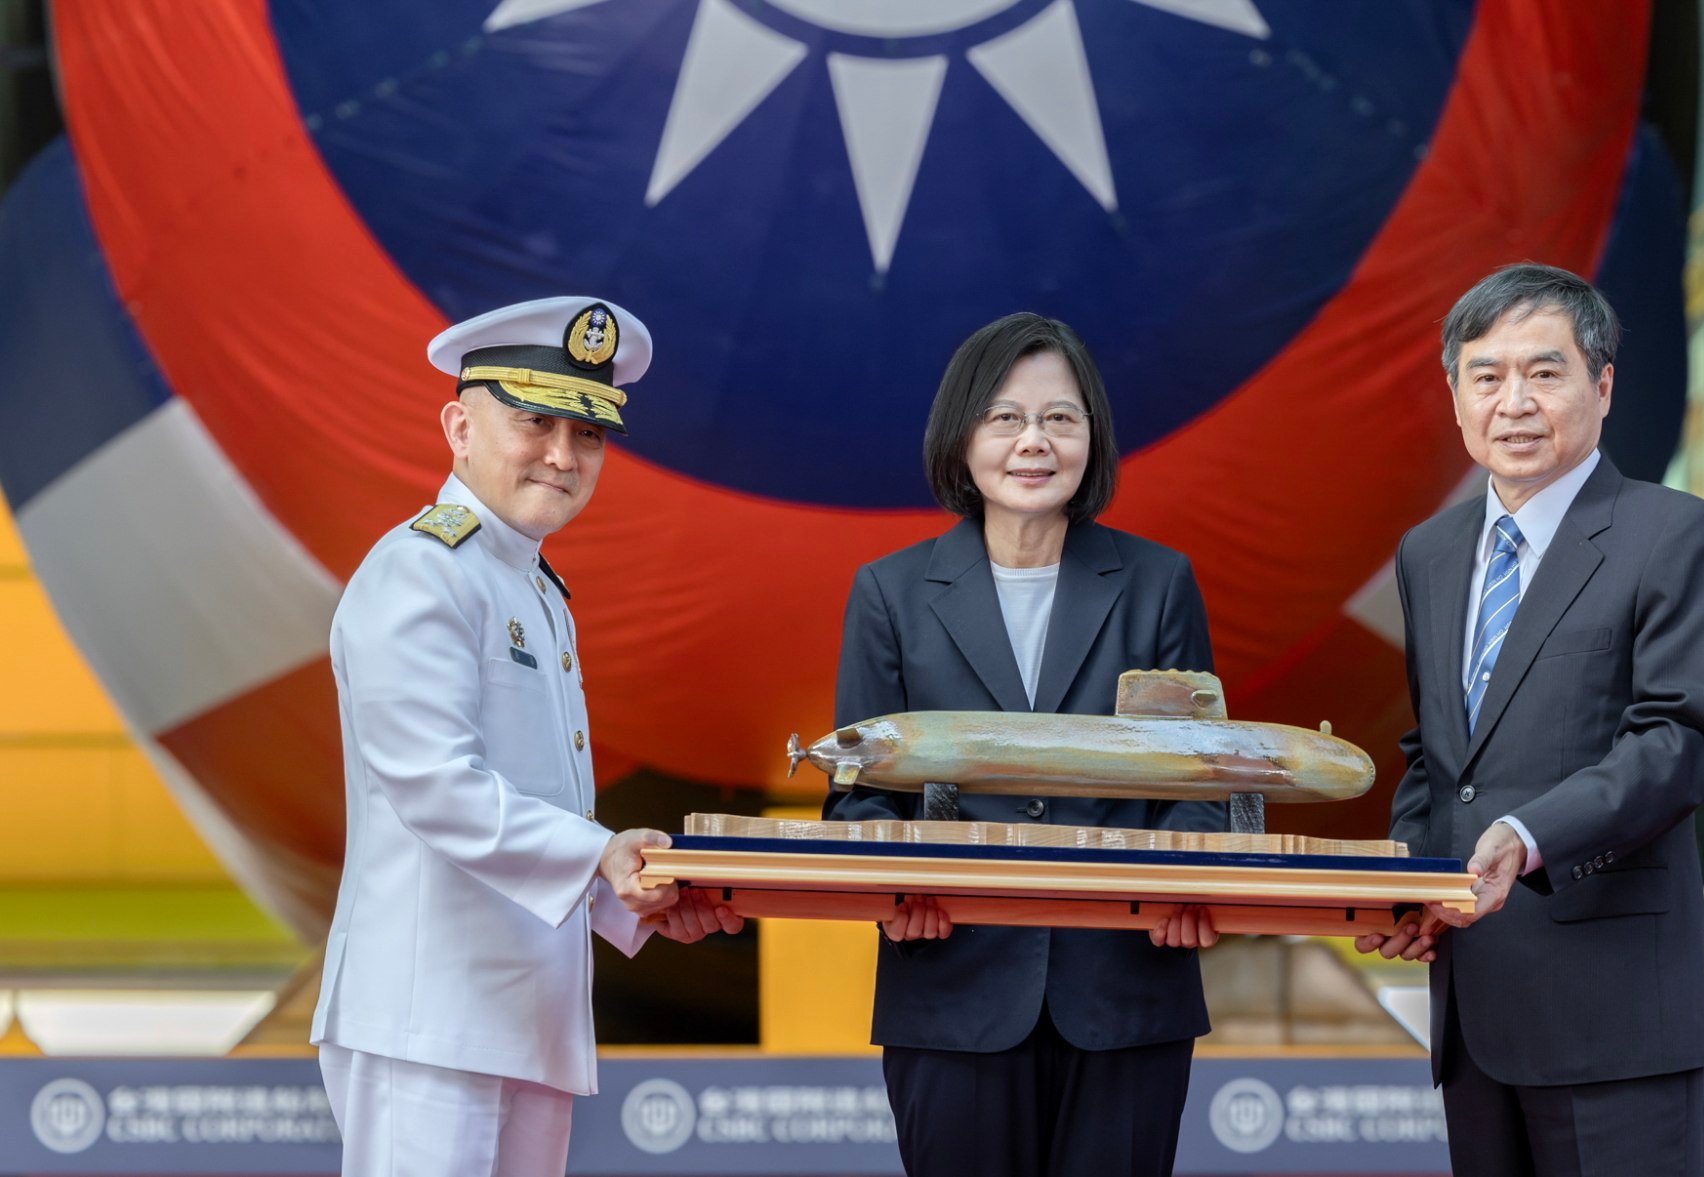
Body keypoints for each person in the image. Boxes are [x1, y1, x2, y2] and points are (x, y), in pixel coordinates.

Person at [309, 296, 741, 1176]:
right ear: (458, 425)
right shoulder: (422, 572)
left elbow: (535, 809)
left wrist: (635, 896)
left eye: (588, 435)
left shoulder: (534, 590)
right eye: (534, 421)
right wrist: (600, 854)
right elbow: (437, 786)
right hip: (428, 1019)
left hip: (521, 1020)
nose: (562, 455)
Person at [1356, 264, 1704, 1177]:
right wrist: (1413, 880)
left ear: (1601, 386)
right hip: (1473, 1001)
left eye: (1545, 372)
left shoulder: (1676, 534)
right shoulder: (1430, 553)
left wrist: (1526, 835)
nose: (1513, 402)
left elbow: (1679, 739)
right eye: (1485, 376)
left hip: (1611, 1013)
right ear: (1454, 396)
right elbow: (1439, 751)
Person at [824, 311, 1222, 1177]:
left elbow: (1202, 777)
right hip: (951, 984)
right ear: (961, 434)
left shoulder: (1159, 583)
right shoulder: (890, 594)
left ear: (1091, 438)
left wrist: (1185, 884)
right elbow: (856, 791)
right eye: (1004, 416)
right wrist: (900, 884)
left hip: (1127, 988)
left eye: (1060, 417)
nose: (1032, 441)